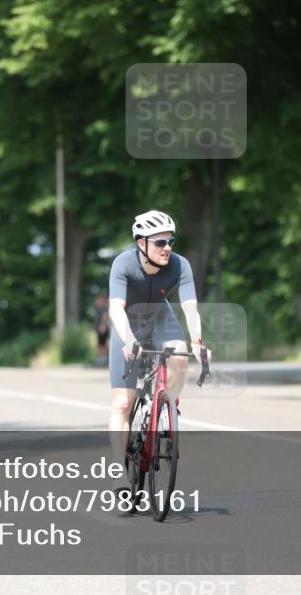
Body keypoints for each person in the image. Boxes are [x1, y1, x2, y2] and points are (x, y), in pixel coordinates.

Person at [106, 210, 210, 492]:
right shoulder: (123, 264)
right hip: (129, 324)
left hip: (160, 319)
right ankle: (118, 466)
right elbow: (116, 308)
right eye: (160, 243)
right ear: (142, 243)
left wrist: (199, 343)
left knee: (179, 355)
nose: (167, 248)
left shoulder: (180, 265)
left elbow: (190, 307)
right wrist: (128, 340)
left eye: (170, 241)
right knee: (124, 403)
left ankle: (166, 409)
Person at [94, 293, 110, 366]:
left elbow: (105, 317)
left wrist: (103, 326)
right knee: (100, 343)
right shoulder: (100, 307)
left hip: (102, 329)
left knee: (102, 344)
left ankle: (104, 358)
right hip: (100, 328)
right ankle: (101, 358)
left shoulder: (104, 308)